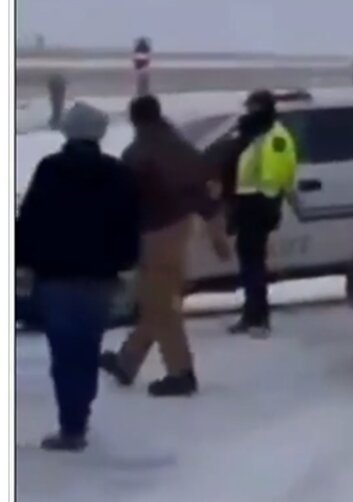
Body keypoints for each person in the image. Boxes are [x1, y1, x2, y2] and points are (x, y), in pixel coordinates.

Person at [16, 102, 141, 451]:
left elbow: (31, 219)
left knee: (63, 352)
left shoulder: (51, 170)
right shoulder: (117, 174)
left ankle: (69, 425)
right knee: (87, 350)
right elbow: (130, 223)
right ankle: (79, 419)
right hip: (100, 276)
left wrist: (22, 261)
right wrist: (124, 262)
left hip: (56, 275)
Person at [99, 95, 230, 397]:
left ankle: (180, 372)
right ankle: (127, 361)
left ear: (134, 120)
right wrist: (215, 234)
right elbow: (202, 190)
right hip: (181, 227)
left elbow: (124, 204)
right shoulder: (180, 146)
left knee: (161, 304)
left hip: (154, 233)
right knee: (156, 299)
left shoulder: (138, 153)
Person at [226, 89, 299, 338]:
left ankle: (259, 317)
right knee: (249, 263)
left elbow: (282, 172)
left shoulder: (274, 136)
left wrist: (272, 197)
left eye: (253, 107)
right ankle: (251, 314)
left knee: (254, 263)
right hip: (248, 204)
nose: (249, 111)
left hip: (260, 205)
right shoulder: (251, 133)